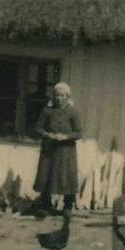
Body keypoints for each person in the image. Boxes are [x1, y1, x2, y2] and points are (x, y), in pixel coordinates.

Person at [33, 82, 82, 218]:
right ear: (53, 96)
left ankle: (67, 206)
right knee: (46, 175)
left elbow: (79, 133)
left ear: (67, 96)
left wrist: (65, 136)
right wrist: (48, 134)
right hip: (49, 148)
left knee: (67, 176)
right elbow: (38, 128)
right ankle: (45, 205)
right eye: (56, 95)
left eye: (62, 95)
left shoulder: (73, 112)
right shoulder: (47, 111)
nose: (59, 98)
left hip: (66, 150)